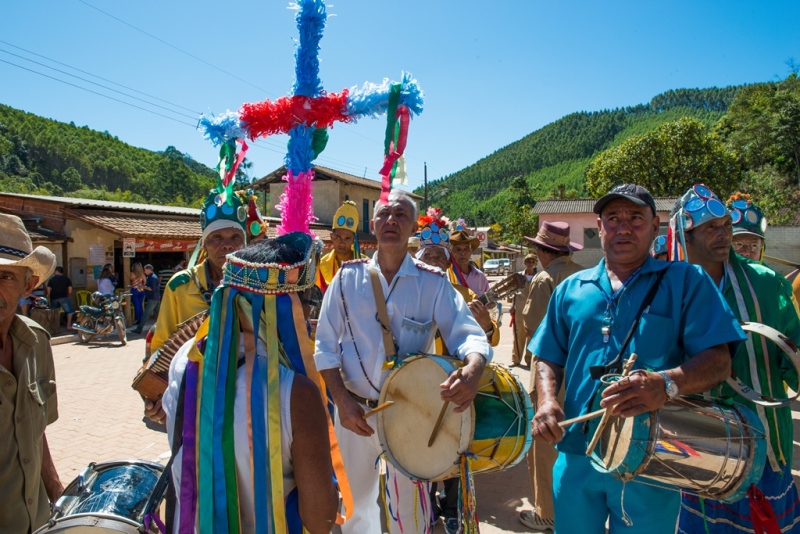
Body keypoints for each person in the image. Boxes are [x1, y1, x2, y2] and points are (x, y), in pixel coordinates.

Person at [530, 183, 746, 534]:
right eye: (613, 218)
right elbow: (547, 357)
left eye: (635, 218)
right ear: (599, 227)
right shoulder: (571, 289)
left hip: (652, 457)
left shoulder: (686, 281)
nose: (623, 227)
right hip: (575, 453)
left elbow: (720, 360)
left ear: (655, 224)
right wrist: (547, 400)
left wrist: (667, 383)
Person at [314, 190, 492, 534]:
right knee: (354, 509)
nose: (391, 221)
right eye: (384, 215)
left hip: (412, 414)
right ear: (372, 224)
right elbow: (324, 346)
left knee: (412, 514)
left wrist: (472, 368)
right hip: (355, 414)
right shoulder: (345, 280)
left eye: (401, 215)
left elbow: (467, 333)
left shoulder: (434, 283)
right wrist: (342, 401)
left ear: (413, 227)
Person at [162, 234, 339, 533]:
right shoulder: (297, 393)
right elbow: (320, 520)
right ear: (284, 307)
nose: (310, 314)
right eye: (308, 301)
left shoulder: (185, 359)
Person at [670, 184, 800, 533]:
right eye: (711, 227)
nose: (724, 234)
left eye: (726, 225)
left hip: (764, 442)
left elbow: (794, 358)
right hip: (696, 445)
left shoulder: (767, 284)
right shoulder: (670, 288)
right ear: (687, 233)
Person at [415, 208, 499, 534]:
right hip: (417, 384)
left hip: (453, 383)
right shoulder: (405, 293)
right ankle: (424, 507)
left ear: (449, 262)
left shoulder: (466, 294)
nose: (435, 260)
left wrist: (487, 323)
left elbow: (488, 338)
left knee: (453, 447)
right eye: (429, 255)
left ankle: (452, 509)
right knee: (419, 446)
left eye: (440, 255)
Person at [518, 221, 584, 532]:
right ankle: (577, 511)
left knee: (544, 448)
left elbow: (532, 326)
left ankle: (546, 513)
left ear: (544, 251)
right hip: (581, 372)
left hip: (549, 375)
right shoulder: (584, 275)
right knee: (577, 443)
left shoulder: (544, 279)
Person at [0, 213, 63, 532]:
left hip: (37, 520)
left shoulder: (36, 341)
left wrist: (56, 490)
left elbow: (34, 431)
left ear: (29, 283)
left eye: (5, 277)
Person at [316, 201, 366, 293]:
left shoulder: (365, 264)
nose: (342, 243)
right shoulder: (322, 264)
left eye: (347, 238)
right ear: (331, 237)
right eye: (338, 237)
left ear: (353, 239)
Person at [509, 253, 538, 367]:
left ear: (535, 263)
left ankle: (529, 360)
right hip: (520, 308)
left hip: (534, 309)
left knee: (532, 335)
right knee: (518, 334)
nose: (530, 263)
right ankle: (515, 359)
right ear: (524, 263)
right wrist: (512, 305)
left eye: (532, 261)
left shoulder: (539, 276)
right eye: (528, 261)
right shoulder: (519, 276)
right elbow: (512, 292)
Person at [726, 192, 767, 262]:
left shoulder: (768, 273)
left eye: (754, 245)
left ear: (762, 250)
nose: (745, 253)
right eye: (737, 244)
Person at [131, 264, 160, 334]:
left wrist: (143, 287)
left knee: (146, 314)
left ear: (149, 270)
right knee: (158, 314)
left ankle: (139, 328)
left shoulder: (152, 277)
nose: (144, 271)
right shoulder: (150, 276)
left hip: (152, 298)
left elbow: (151, 288)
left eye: (145, 270)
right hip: (155, 297)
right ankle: (163, 327)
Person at [46, 266, 74, 330]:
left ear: (57, 271)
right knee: (69, 311)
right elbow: (70, 289)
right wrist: (68, 294)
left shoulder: (52, 279)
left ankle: (55, 326)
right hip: (64, 297)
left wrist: (49, 296)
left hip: (54, 298)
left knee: (54, 312)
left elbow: (48, 289)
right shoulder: (66, 279)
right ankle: (69, 325)